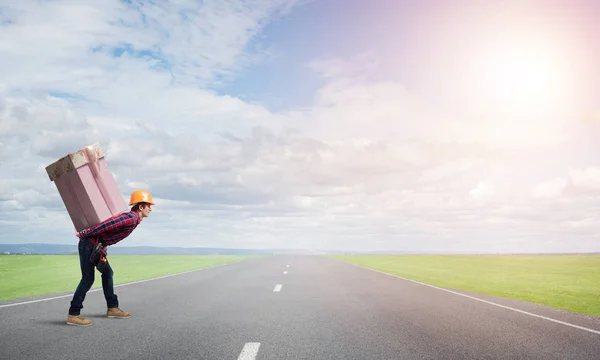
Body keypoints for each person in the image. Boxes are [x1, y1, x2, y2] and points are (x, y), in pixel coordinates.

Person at [66, 190, 155, 326]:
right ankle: (73, 314)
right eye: (149, 205)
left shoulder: (134, 220)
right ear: (141, 207)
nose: (151, 208)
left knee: (108, 273)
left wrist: (102, 247)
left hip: (96, 246)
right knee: (88, 279)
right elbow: (107, 224)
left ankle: (112, 308)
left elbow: (108, 233)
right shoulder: (131, 218)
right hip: (89, 244)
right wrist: (84, 233)